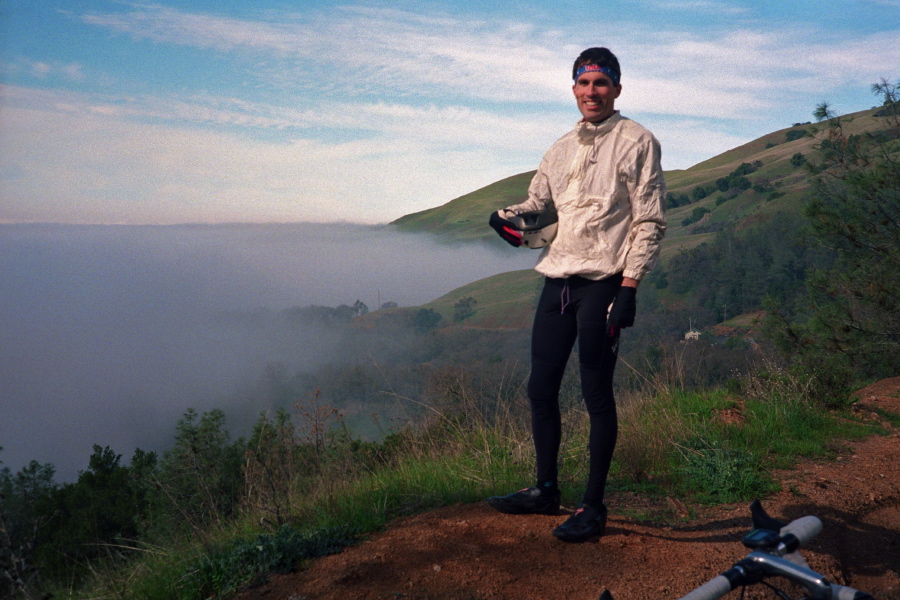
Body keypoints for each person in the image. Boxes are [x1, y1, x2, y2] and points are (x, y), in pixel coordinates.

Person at [487, 47, 666, 543]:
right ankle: (545, 490)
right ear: (574, 90)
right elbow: (538, 203)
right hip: (558, 280)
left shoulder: (638, 141)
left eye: (601, 84)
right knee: (540, 389)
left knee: (595, 395)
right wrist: (507, 217)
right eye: (584, 84)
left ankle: (593, 507)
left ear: (617, 89)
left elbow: (649, 219)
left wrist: (629, 287)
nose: (592, 92)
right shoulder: (561, 147)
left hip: (604, 283)